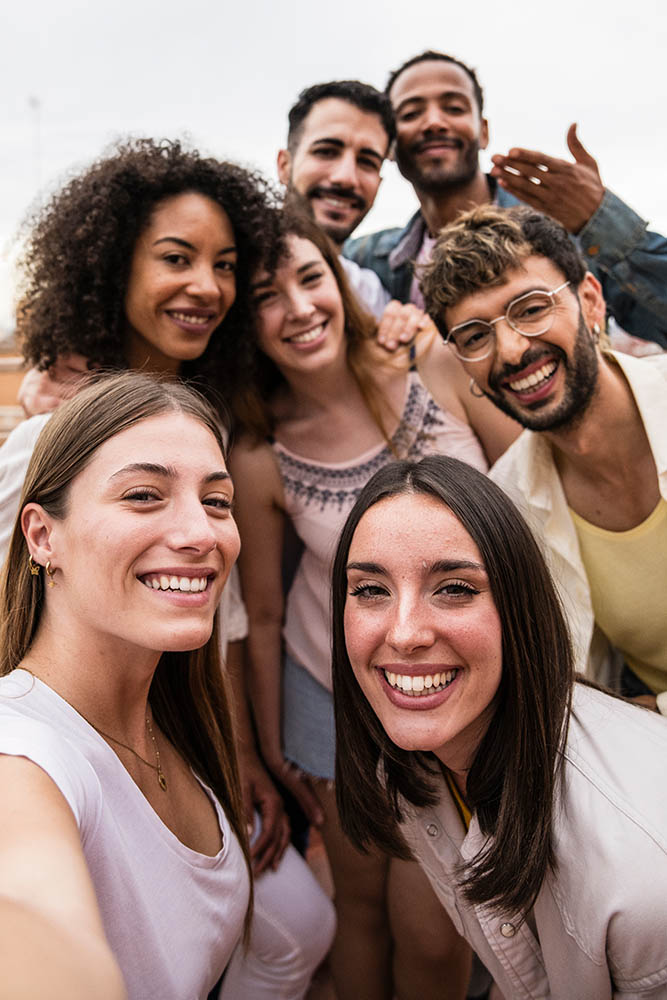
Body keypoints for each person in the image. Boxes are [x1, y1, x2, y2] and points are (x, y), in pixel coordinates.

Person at [0, 139, 334, 999]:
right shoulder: (46, 440)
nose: (208, 286)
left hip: (179, 738)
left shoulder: (219, 421)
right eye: (176, 257)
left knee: (296, 923)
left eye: (226, 266)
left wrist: (242, 760)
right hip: (71, 734)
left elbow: (213, 623)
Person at [227, 207, 520, 1000]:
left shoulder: (429, 358)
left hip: (463, 681)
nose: (298, 307)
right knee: (359, 907)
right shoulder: (260, 450)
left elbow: (528, 488)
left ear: (341, 281)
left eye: (310, 278)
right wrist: (275, 743)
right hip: (331, 698)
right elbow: (261, 616)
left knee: (435, 928)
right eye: (265, 295)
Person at [331, 454, 667, 1000]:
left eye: (455, 588)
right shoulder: (416, 762)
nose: (405, 632)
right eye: (370, 590)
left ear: (520, 608)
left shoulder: (644, 879)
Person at [0, 373, 252, 999]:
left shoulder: (172, 717)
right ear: (42, 535)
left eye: (217, 501)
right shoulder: (23, 759)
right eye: (144, 496)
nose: (201, 534)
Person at [419, 203, 667, 702]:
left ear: (591, 301)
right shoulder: (510, 503)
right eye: (475, 337)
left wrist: (650, 711)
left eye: (531, 308)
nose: (510, 351)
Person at [345, 50, 667, 349]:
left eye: (454, 108)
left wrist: (601, 221)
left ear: (483, 132)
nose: (433, 122)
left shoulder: (568, 232)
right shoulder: (368, 261)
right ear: (389, 144)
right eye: (411, 113)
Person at [277, 79, 427, 346]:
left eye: (367, 162)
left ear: (379, 184)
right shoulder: (230, 270)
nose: (346, 178)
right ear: (284, 166)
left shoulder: (370, 296)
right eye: (326, 152)